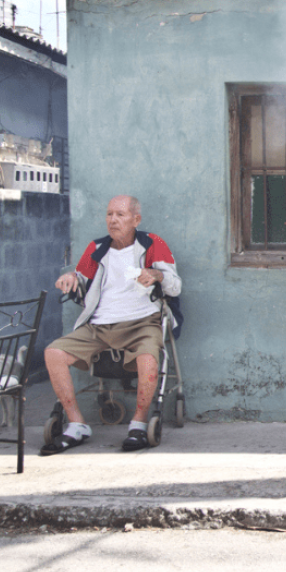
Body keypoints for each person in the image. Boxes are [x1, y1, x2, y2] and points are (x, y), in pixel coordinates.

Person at [40, 195, 181, 455]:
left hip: (142, 321)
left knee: (149, 357)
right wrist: (71, 278)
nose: (112, 220)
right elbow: (80, 278)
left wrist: (157, 274)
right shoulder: (97, 248)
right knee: (53, 353)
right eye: (109, 214)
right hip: (99, 325)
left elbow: (175, 286)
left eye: (120, 214)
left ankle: (138, 424)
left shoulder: (152, 243)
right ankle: (77, 424)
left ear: (136, 219)